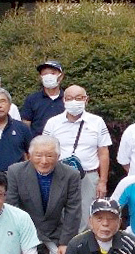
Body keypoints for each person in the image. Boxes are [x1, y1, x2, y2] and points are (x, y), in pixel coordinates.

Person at [5, 135, 82, 254]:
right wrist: (17, 238)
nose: (44, 161)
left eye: (49, 156)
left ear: (58, 156)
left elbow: (73, 211)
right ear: (30, 155)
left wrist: (66, 242)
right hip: (25, 228)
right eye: (38, 155)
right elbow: (11, 207)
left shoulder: (71, 175)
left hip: (55, 229)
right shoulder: (15, 172)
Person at [43, 83, 112, 230]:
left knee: (87, 215)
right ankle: (64, 248)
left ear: (86, 100)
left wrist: (103, 181)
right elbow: (44, 150)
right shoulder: (53, 123)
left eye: (78, 98)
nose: (74, 101)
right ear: (63, 100)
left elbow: (104, 152)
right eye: (69, 98)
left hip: (88, 175)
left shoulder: (97, 122)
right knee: (59, 214)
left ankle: (84, 248)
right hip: (58, 176)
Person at [20, 60, 65, 135]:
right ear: (40, 77)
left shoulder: (68, 98)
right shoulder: (32, 99)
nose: (49, 76)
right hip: (38, 143)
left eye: (53, 73)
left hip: (63, 143)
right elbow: (25, 124)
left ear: (61, 76)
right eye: (45, 74)